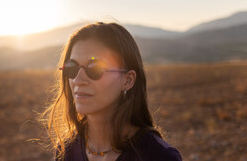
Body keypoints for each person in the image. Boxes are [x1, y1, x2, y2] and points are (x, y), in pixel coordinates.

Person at [41, 22, 182, 161]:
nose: (78, 79)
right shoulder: (67, 151)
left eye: (94, 68)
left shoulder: (159, 156)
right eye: (72, 67)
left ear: (127, 80)